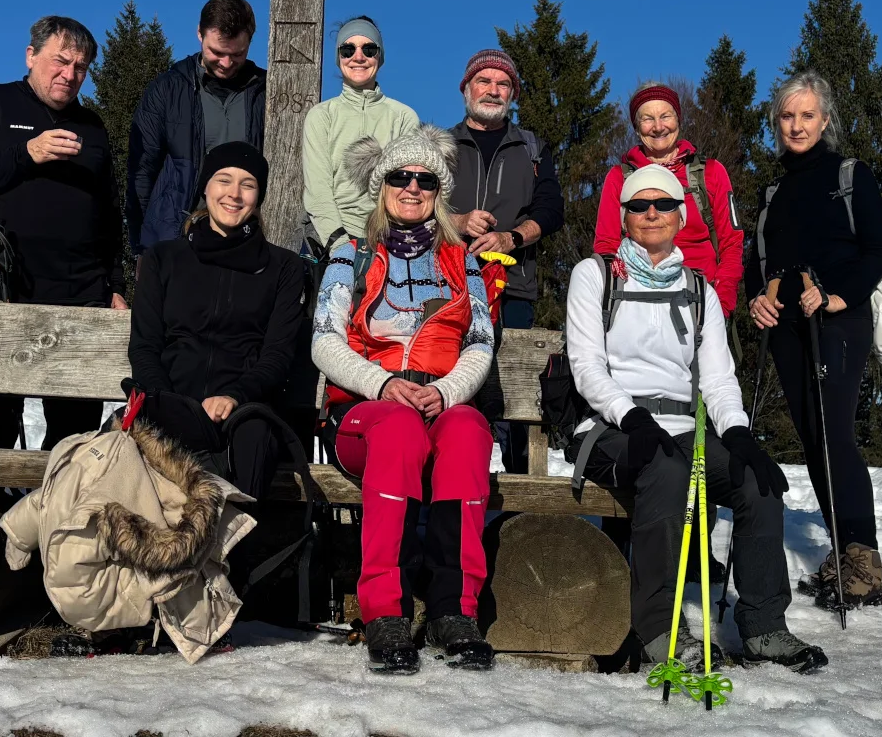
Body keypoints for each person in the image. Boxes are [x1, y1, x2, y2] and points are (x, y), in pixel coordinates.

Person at [566, 165, 827, 673]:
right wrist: (633, 417)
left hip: (684, 428)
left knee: (757, 481)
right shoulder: (593, 275)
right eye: (638, 206)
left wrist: (738, 434)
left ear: (680, 216)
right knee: (668, 472)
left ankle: (763, 627)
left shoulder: (699, 289)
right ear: (624, 217)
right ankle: (659, 629)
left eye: (662, 205)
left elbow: (718, 378)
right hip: (610, 428)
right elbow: (586, 366)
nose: (651, 214)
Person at [310, 124, 497, 675]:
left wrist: (446, 391)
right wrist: (383, 384)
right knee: (398, 428)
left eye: (425, 180)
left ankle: (453, 608)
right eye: (400, 177)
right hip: (366, 412)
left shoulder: (461, 260)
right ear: (381, 184)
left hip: (439, 402)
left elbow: (481, 341)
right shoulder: (352, 254)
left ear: (439, 193)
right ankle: (385, 611)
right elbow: (324, 338)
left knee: (468, 431)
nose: (412, 188)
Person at [0, 15, 128, 450]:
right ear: (31, 56)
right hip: (5, 292)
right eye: (60, 62)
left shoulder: (93, 126)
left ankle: (57, 512)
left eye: (80, 68)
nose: (69, 75)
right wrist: (25, 154)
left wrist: (114, 285)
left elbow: (110, 215)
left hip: (81, 297)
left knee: (75, 435)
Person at [747, 71, 882, 610]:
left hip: (837, 320)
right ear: (776, 123)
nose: (797, 125)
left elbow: (876, 251)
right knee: (812, 437)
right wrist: (757, 297)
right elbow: (756, 264)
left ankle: (863, 560)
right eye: (788, 116)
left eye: (808, 115)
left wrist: (836, 296)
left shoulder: (851, 176)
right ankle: (844, 550)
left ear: (825, 121)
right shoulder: (771, 192)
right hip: (785, 325)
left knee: (835, 433)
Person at [124, 142, 305, 500]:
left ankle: (237, 550)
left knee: (255, 435)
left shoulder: (283, 267)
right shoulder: (164, 258)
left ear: (259, 196)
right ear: (206, 186)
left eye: (248, 184)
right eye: (224, 180)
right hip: (169, 397)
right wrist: (172, 405)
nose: (234, 194)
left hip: (243, 406)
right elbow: (144, 345)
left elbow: (277, 355)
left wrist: (234, 396)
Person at [128, 0, 267, 254]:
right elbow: (141, 172)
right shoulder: (167, 89)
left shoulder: (267, 93)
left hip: (248, 242)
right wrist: (141, 247)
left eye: (237, 54)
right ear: (199, 34)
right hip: (176, 241)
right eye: (217, 52)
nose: (226, 63)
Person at [594, 82, 744, 318]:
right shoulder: (619, 178)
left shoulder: (710, 174)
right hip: (638, 301)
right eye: (647, 119)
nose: (658, 127)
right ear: (635, 127)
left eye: (666, 116)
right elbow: (606, 247)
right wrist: (619, 297)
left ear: (678, 120)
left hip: (701, 298)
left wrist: (720, 305)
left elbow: (731, 244)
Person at [446, 48, 563, 330]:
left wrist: (512, 238)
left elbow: (551, 210)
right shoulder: (440, 145)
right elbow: (417, 209)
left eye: (503, 84)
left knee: (510, 372)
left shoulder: (533, 149)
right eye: (484, 81)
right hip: (446, 283)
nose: (493, 91)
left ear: (512, 95)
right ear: (466, 89)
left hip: (513, 288)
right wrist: (459, 221)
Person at [300, 16, 419, 253]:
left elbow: (407, 191)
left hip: (387, 242)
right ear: (339, 58)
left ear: (379, 57)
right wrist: (341, 248)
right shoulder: (322, 116)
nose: (358, 57)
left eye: (369, 49)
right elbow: (318, 191)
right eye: (347, 49)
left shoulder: (404, 117)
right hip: (329, 241)